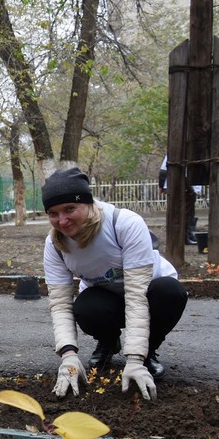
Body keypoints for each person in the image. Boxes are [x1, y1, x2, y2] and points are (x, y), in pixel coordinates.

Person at [42, 167, 188, 401]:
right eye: (53, 213)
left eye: (70, 209)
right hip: (106, 299)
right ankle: (109, 343)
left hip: (150, 294)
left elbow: (136, 295)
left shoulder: (124, 223)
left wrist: (135, 360)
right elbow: (60, 304)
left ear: (88, 203)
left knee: (170, 292)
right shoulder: (55, 245)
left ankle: (148, 351)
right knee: (85, 308)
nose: (62, 220)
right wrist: (68, 356)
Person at [159, 154, 204, 245]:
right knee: (186, 213)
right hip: (185, 188)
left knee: (181, 213)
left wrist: (161, 185)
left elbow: (163, 171)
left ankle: (185, 235)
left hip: (180, 187)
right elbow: (163, 171)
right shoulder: (183, 153)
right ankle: (184, 237)